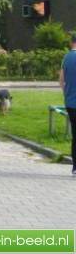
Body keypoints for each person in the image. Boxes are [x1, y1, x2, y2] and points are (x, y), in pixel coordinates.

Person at [59, 33, 76, 176]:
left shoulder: (66, 57)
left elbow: (61, 80)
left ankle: (75, 167)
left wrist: (67, 94)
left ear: (72, 43)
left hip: (70, 103)